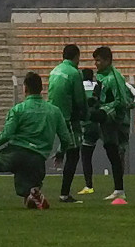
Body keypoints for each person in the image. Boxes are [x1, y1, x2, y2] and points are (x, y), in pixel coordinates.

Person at [0, 72, 72, 209]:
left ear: (25, 89)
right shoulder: (55, 111)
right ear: (41, 89)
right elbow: (66, 138)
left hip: (15, 153)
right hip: (37, 159)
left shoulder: (18, 109)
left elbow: (7, 134)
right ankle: (34, 192)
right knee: (28, 199)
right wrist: (60, 152)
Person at [78, 67, 135, 196]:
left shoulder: (91, 86)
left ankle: (88, 185)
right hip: (110, 123)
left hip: (92, 125)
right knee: (115, 153)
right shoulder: (108, 83)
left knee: (87, 154)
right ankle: (119, 188)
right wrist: (129, 106)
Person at [90, 46, 135, 202]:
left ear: (108, 61)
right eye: (95, 60)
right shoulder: (102, 76)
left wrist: (105, 111)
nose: (96, 63)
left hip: (116, 121)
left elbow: (120, 101)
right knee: (111, 152)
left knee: (115, 153)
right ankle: (118, 188)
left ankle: (119, 189)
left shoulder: (114, 77)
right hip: (108, 120)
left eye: (99, 60)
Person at [48, 44, 87, 203]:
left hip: (53, 115)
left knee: (69, 144)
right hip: (67, 117)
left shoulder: (55, 71)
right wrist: (85, 114)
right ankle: (64, 194)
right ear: (76, 57)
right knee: (74, 152)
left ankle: (60, 151)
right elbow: (79, 99)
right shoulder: (74, 73)